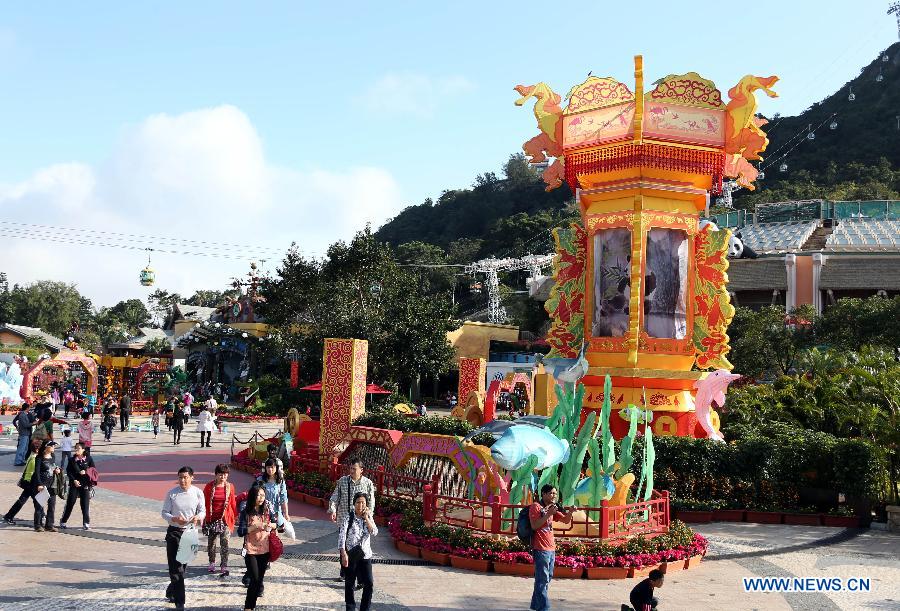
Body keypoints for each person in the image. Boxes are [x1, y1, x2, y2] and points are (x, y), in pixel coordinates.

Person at [161, 466, 205, 611]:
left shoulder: (198, 493)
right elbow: (164, 512)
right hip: (174, 532)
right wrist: (174, 518)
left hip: (190, 533)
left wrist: (198, 517)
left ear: (192, 477)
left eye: (186, 477)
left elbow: (202, 510)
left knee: (182, 567)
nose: (182, 480)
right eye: (180, 477)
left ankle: (171, 589)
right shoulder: (172, 494)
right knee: (176, 569)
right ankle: (180, 603)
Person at [328, 456, 376, 580]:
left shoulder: (368, 483)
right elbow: (334, 498)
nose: (352, 471)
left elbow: (371, 504)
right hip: (345, 520)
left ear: (361, 470)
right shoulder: (342, 481)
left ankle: (360, 577)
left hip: (361, 522)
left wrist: (368, 517)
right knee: (343, 546)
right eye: (350, 468)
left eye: (354, 469)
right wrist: (333, 510)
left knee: (360, 548)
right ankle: (344, 572)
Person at [529, 484, 573, 611]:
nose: (554, 496)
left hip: (551, 548)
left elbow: (565, 520)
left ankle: (536, 606)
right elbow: (534, 526)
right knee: (542, 579)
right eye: (551, 493)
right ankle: (543, 608)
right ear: (543, 494)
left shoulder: (552, 508)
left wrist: (570, 512)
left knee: (547, 578)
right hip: (540, 548)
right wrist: (548, 514)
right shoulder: (536, 507)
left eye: (555, 493)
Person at [339, 491, 378, 611]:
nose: (360, 505)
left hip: (365, 555)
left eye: (363, 503)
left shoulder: (369, 517)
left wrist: (366, 518)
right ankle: (350, 608)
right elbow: (341, 536)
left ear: (366, 504)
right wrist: (343, 553)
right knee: (350, 585)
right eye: (358, 502)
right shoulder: (348, 517)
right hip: (351, 555)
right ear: (354, 503)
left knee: (369, 584)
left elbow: (375, 532)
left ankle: (364, 608)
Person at [242, 485, 274, 611]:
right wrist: (255, 526)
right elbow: (241, 531)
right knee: (254, 579)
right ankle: (248, 608)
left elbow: (279, 525)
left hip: (265, 550)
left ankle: (251, 606)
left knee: (259, 580)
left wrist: (270, 525)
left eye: (263, 495)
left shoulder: (267, 510)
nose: (261, 498)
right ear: (252, 496)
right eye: (258, 495)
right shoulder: (246, 512)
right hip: (250, 550)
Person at [202, 464, 237, 576]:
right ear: (216, 474)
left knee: (225, 543)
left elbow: (233, 503)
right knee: (211, 543)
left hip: (225, 519)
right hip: (212, 519)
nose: (223, 477)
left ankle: (224, 565)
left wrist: (235, 517)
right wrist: (203, 518)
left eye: (225, 474)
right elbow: (204, 503)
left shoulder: (230, 487)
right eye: (220, 474)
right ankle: (212, 562)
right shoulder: (209, 487)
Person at [3, 439, 41, 525]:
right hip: (30, 483)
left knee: (26, 500)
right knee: (35, 501)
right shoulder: (34, 459)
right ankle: (41, 517)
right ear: (38, 449)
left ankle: (9, 516)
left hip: (28, 482)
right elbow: (36, 472)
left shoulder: (32, 456)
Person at [59, 442, 95, 530]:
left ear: (83, 449)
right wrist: (74, 480)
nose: (76, 450)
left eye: (78, 448)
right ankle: (63, 521)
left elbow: (93, 469)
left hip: (85, 484)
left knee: (85, 504)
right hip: (74, 484)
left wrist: (86, 472)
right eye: (76, 448)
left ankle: (86, 523)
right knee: (70, 503)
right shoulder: (72, 460)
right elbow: (69, 472)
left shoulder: (89, 459)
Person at [256, 458, 290, 529]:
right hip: (263, 511)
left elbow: (283, 498)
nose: (270, 469)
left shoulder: (280, 482)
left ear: (276, 468)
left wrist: (286, 514)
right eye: (268, 467)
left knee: (275, 531)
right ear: (265, 468)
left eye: (272, 467)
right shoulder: (260, 480)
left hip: (276, 511)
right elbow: (255, 495)